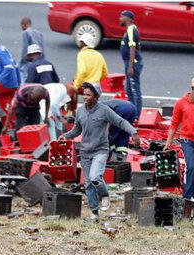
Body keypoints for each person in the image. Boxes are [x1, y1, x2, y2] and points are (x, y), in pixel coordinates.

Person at [61, 82, 139, 220]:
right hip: (85, 152)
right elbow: (77, 130)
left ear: (96, 96)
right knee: (88, 185)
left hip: (100, 151)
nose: (85, 97)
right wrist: (65, 136)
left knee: (95, 177)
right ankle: (94, 213)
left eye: (88, 95)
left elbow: (120, 122)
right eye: (84, 94)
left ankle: (104, 194)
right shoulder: (80, 111)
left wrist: (133, 132)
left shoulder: (104, 110)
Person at [66, 34, 108, 115]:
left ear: (84, 43)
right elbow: (105, 73)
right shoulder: (99, 54)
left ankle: (71, 112)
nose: (79, 44)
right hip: (97, 87)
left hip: (86, 86)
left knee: (70, 88)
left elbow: (82, 71)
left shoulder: (82, 54)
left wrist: (76, 86)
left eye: (80, 42)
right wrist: (95, 78)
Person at [119, 10, 143, 121]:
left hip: (132, 64)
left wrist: (131, 66)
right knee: (128, 89)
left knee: (134, 90)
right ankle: (132, 112)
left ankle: (136, 116)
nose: (120, 18)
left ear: (128, 18)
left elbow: (133, 47)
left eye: (122, 16)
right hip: (130, 63)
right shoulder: (132, 29)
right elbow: (139, 45)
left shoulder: (131, 30)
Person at [19, 17, 44, 84]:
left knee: (24, 80)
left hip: (30, 60)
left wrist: (21, 63)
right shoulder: (38, 33)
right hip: (40, 59)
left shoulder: (25, 33)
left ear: (24, 24)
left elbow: (25, 49)